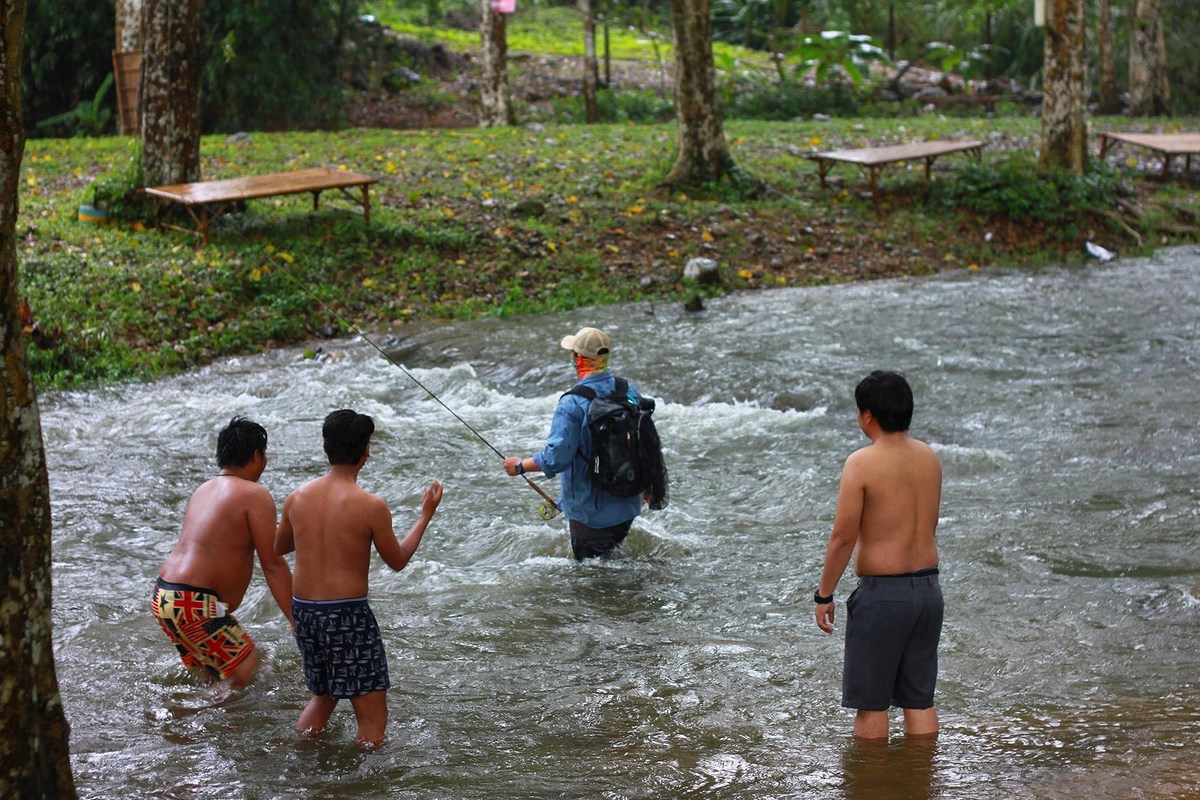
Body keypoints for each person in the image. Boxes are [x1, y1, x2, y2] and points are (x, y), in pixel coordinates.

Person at [274, 409, 443, 747]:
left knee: (323, 697)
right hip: (347, 615)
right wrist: (425, 516)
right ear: (366, 451)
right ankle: (363, 786)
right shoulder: (370, 505)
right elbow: (396, 560)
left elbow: (281, 546)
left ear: (325, 449)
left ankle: (300, 759)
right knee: (373, 721)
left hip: (305, 613)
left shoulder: (297, 497)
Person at [814, 371, 944, 739]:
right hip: (929, 591)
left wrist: (824, 594)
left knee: (871, 707)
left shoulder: (861, 463)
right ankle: (921, 782)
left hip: (885, 596)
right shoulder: (929, 457)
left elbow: (842, 537)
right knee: (920, 701)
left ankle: (875, 787)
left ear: (867, 415)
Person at [152, 416, 294, 690]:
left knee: (210, 679)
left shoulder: (204, 490)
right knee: (246, 669)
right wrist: (296, 619)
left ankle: (188, 724)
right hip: (193, 603)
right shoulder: (254, 494)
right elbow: (273, 564)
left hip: (166, 597)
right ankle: (220, 729)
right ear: (256, 455)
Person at [504, 326, 644, 560]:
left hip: (590, 513)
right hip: (628, 503)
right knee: (613, 564)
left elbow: (557, 458)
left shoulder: (572, 402)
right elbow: (643, 440)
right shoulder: (628, 390)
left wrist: (519, 466)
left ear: (578, 358)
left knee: (593, 583)